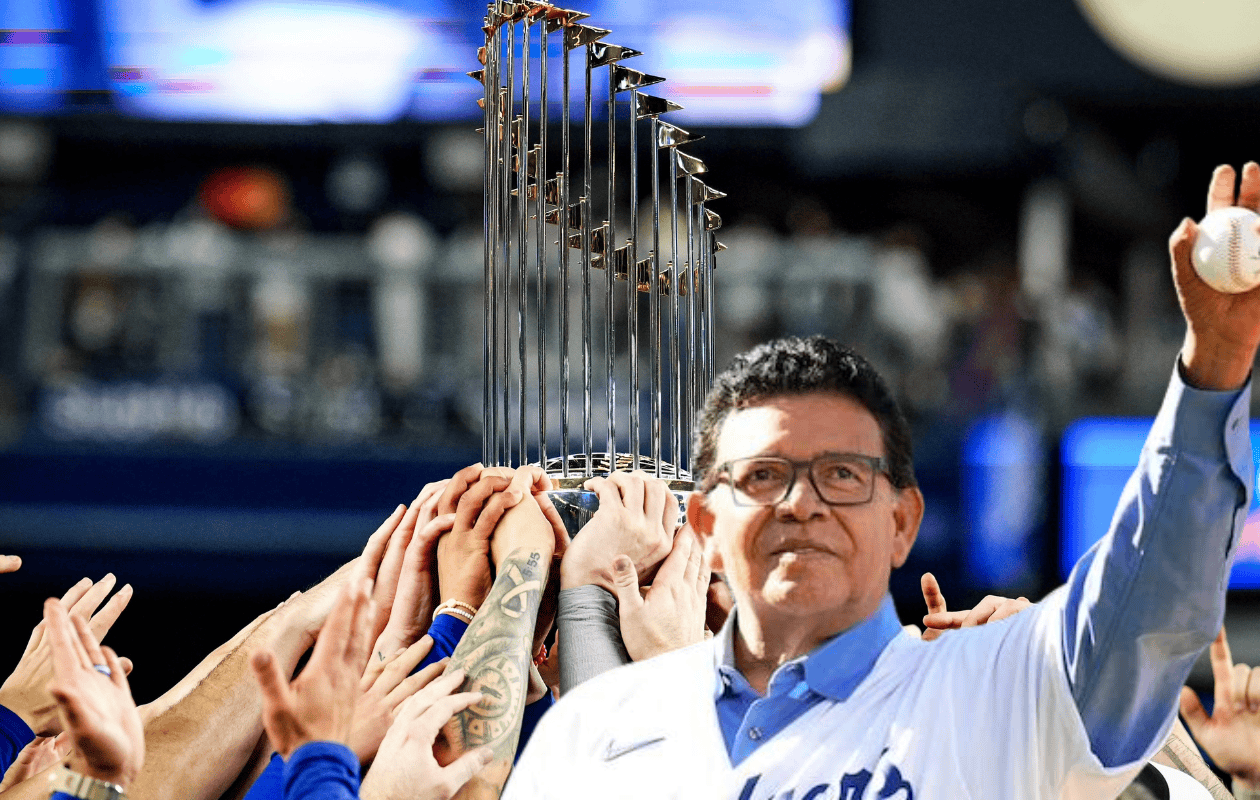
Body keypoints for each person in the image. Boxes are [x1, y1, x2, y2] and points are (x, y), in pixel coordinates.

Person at [504, 163, 1260, 799]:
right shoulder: (595, 728)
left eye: (841, 474)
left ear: (903, 521)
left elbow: (1147, 600)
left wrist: (1213, 370)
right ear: (704, 523)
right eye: (764, 475)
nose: (802, 503)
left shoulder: (994, 689)